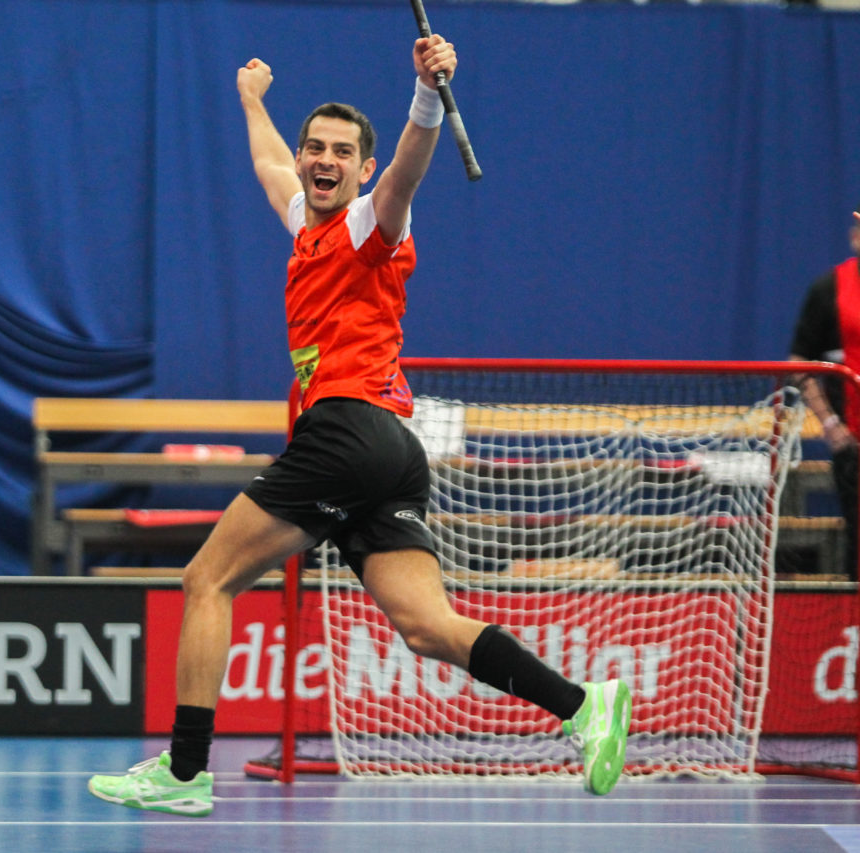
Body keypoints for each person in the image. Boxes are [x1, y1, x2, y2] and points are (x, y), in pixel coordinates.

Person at [87, 36, 632, 818]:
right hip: (392, 450)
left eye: (343, 151)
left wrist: (423, 95)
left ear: (362, 170)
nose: (322, 159)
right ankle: (584, 707)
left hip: (345, 431)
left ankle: (184, 771)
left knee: (208, 578)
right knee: (425, 625)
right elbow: (271, 168)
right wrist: (252, 102)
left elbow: (409, 169)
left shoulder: (372, 226)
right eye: (316, 147)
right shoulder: (306, 225)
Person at [788, 199, 860, 581]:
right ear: (855, 237)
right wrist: (830, 423)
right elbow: (798, 364)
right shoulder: (829, 290)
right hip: (856, 444)